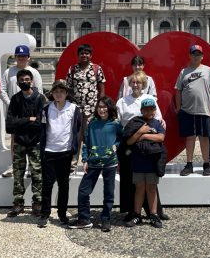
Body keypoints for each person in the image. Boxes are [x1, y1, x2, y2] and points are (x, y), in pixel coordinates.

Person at [116, 71, 168, 221]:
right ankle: (132, 211)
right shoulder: (122, 101)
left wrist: (149, 133)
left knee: (150, 181)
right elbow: (118, 122)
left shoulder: (149, 99)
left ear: (144, 84)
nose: (135, 85)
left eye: (138, 82)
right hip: (129, 141)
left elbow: (157, 118)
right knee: (130, 178)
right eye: (133, 82)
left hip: (148, 144)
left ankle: (154, 212)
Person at [71, 96, 122, 232]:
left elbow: (121, 139)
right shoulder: (92, 123)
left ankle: (106, 218)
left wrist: (114, 148)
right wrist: (85, 159)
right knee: (83, 191)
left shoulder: (115, 123)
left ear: (109, 108)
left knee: (109, 193)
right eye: (99, 107)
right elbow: (86, 142)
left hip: (110, 163)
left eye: (105, 106)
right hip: (93, 163)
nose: (102, 109)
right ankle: (84, 218)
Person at [37, 80, 83, 228]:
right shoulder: (46, 109)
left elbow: (77, 128)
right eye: (56, 91)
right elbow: (42, 127)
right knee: (47, 184)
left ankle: (62, 214)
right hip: (49, 151)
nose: (59, 94)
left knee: (64, 185)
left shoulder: (74, 109)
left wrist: (75, 148)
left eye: (62, 91)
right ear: (52, 94)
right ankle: (45, 213)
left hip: (65, 152)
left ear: (66, 93)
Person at [5, 69, 47, 218]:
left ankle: (37, 203)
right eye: (22, 80)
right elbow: (9, 124)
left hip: (35, 142)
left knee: (37, 174)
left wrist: (21, 122)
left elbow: (42, 123)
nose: (25, 82)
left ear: (32, 81)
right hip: (19, 142)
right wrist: (28, 119)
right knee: (18, 174)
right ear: (17, 83)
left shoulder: (40, 99)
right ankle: (18, 203)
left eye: (27, 79)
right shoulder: (15, 100)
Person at [175, 44, 210, 177]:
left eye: (198, 54)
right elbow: (178, 90)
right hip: (187, 110)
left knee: (204, 138)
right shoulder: (184, 72)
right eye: (194, 53)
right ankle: (189, 164)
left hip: (204, 110)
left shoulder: (208, 70)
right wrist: (178, 107)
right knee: (190, 138)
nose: (196, 56)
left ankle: (206, 164)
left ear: (202, 56)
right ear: (190, 55)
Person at [0, 45, 43, 177]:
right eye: (19, 56)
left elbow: (39, 90)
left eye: (24, 56)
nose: (21, 58)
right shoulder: (8, 72)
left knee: (32, 138)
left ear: (28, 57)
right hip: (15, 111)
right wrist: (10, 104)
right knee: (14, 138)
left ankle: (32, 166)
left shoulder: (34, 72)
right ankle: (14, 165)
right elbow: (2, 90)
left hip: (31, 111)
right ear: (15, 57)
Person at [123, 97, 166, 228]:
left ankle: (154, 214)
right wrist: (140, 131)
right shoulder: (135, 123)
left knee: (151, 188)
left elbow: (161, 137)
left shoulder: (157, 123)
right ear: (141, 111)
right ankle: (137, 214)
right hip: (138, 161)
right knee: (139, 188)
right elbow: (129, 141)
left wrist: (145, 136)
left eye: (151, 109)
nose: (149, 112)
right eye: (146, 110)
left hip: (152, 161)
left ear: (155, 110)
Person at [66, 44, 106, 170]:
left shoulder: (96, 68)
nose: (84, 55)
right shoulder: (72, 69)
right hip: (76, 109)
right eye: (82, 53)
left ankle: (91, 162)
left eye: (87, 53)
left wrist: (100, 106)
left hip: (92, 109)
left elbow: (101, 89)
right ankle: (72, 164)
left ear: (91, 55)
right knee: (75, 136)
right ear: (78, 55)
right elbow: (68, 89)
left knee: (90, 136)